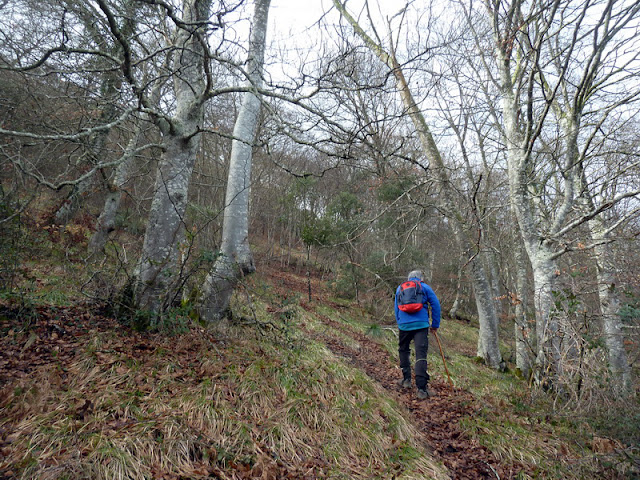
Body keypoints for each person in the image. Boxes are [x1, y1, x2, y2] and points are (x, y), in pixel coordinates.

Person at [394, 269, 441, 399]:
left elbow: (396, 307)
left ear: (409, 278)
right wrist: (435, 324)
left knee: (403, 350)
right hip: (421, 325)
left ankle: (406, 380)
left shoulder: (400, 288)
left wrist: (400, 322)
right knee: (421, 354)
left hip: (404, 325)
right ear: (421, 278)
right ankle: (421, 389)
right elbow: (436, 305)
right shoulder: (425, 287)